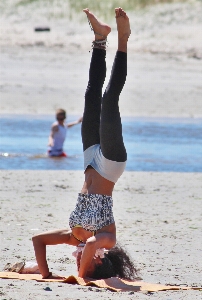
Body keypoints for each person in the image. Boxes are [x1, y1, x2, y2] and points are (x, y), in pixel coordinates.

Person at [33, 7, 138, 280]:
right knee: (109, 100)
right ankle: (124, 38)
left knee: (92, 96)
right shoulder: (106, 240)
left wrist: (46, 275)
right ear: (97, 263)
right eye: (84, 264)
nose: (78, 261)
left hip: (90, 160)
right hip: (110, 166)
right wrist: (81, 277)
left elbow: (38, 240)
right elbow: (91, 246)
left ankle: (100, 38)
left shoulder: (72, 236)